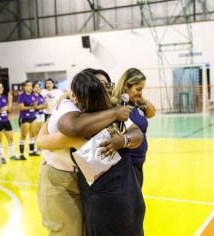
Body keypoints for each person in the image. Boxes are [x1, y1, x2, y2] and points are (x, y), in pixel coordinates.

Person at [37, 70, 145, 236]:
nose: (107, 90)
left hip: (89, 182)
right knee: (66, 231)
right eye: (101, 85)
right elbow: (50, 138)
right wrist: (115, 114)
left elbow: (136, 133)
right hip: (61, 177)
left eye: (108, 85)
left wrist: (123, 139)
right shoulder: (72, 110)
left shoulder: (105, 110)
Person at [113, 68, 156, 187]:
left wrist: (142, 99)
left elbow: (152, 113)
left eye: (142, 89)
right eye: (138, 89)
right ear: (126, 85)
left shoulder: (137, 104)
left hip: (139, 162)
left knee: (136, 202)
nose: (140, 92)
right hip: (126, 163)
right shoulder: (117, 105)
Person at [0, 82, 19, 163]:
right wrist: (1, 110)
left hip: (6, 120)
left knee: (11, 138)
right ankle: (2, 157)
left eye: (2, 87)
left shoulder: (4, 97)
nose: (1, 89)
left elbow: (9, 110)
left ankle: (12, 155)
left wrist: (10, 101)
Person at [18, 80, 38, 159]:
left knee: (32, 134)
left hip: (33, 116)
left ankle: (31, 151)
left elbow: (35, 107)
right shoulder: (21, 96)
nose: (30, 87)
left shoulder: (33, 95)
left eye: (31, 86)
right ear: (24, 87)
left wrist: (35, 106)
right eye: (28, 86)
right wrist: (32, 107)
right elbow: (21, 107)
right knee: (23, 136)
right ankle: (21, 154)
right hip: (25, 117)